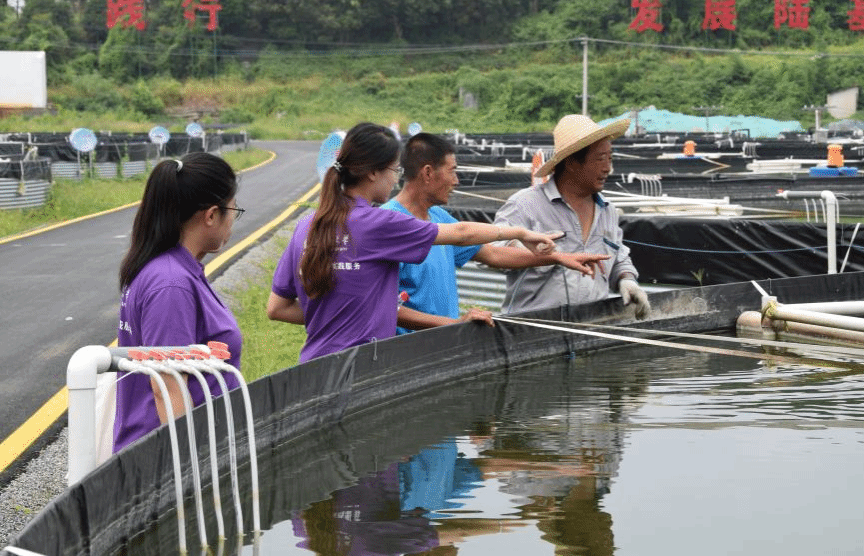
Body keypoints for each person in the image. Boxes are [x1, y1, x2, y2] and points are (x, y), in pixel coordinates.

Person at [266, 122, 560, 362]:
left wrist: (336, 317)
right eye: (393, 171)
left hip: (312, 369)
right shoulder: (377, 223)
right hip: (362, 368)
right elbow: (460, 233)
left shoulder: (307, 226)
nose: (395, 180)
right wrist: (519, 232)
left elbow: (277, 308)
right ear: (372, 172)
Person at [381, 132, 609, 333]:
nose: (456, 181)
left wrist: (559, 257)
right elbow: (385, 307)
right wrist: (453, 324)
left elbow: (493, 254)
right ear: (428, 173)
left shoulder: (439, 217)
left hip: (441, 346)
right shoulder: (387, 224)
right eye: (452, 171)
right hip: (405, 353)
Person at [114, 152, 243, 452]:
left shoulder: (175, 270)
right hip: (171, 459)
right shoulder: (171, 284)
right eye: (234, 210)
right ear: (211, 215)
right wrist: (191, 469)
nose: (233, 221)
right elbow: (167, 389)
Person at [493, 114, 651, 319]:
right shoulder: (526, 205)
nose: (607, 168)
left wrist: (626, 279)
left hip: (593, 327)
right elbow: (492, 252)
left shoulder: (607, 210)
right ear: (571, 163)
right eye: (600, 159)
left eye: (610, 158)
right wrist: (527, 250)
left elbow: (618, 256)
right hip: (534, 329)